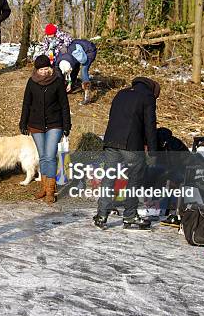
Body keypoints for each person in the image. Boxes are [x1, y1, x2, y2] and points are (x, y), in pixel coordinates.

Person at [93, 77, 160, 230]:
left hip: (110, 141)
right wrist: (153, 150)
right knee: (134, 180)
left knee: (108, 178)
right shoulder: (147, 97)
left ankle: (101, 215)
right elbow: (150, 126)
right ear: (152, 90)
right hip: (131, 144)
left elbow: (112, 117)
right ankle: (130, 216)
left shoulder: (121, 93)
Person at [19, 54, 71, 204]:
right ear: (36, 70)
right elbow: (26, 103)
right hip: (36, 125)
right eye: (41, 69)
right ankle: (43, 187)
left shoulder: (57, 81)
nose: (44, 71)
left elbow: (64, 105)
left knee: (49, 156)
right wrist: (23, 122)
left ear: (50, 67)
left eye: (46, 68)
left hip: (55, 124)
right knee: (42, 157)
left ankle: (50, 190)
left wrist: (67, 125)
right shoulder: (31, 82)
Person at [57, 39, 98, 104]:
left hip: (89, 50)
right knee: (75, 67)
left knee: (84, 69)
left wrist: (69, 82)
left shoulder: (76, 55)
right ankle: (71, 86)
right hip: (75, 53)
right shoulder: (58, 59)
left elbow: (83, 60)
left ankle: (87, 96)